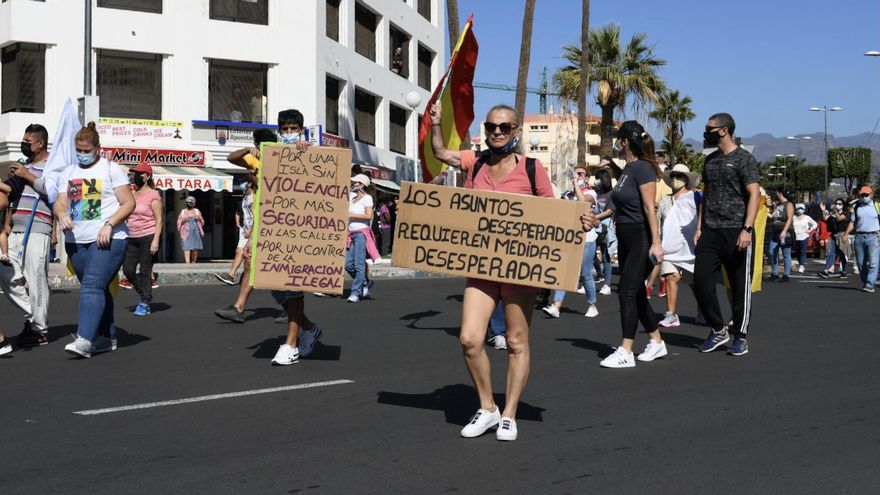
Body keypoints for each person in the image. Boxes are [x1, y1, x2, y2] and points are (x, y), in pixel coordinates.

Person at [431, 101, 555, 441]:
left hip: (519, 270)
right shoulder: (475, 163)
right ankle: (487, 408)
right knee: (470, 339)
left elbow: (555, 213)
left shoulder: (532, 169)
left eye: (504, 127)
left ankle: (509, 414)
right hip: (481, 267)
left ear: (516, 131)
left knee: (516, 341)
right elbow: (441, 152)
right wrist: (437, 123)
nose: (497, 132)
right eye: (491, 127)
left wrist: (583, 218)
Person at [53, 122, 135, 358]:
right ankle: (107, 337)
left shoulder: (111, 169)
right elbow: (60, 202)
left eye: (86, 150)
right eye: (78, 149)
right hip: (76, 241)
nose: (82, 154)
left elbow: (129, 203)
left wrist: (109, 225)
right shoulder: (68, 172)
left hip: (108, 239)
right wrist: (61, 214)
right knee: (98, 289)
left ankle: (84, 339)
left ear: (97, 148)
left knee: (92, 286)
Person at [597, 121, 666, 368]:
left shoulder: (644, 169)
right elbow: (619, 205)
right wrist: (595, 218)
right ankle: (657, 342)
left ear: (624, 142)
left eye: (618, 139)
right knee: (635, 293)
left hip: (640, 236)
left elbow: (649, 207)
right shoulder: (628, 170)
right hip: (625, 235)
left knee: (626, 291)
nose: (617, 143)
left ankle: (626, 351)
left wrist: (656, 243)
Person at [693, 113, 761, 356]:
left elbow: (755, 195)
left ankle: (740, 337)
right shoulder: (710, 160)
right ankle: (718, 329)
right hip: (710, 230)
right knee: (700, 281)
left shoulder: (745, 159)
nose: (706, 132)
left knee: (740, 286)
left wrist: (747, 228)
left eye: (709, 128)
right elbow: (705, 196)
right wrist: (700, 227)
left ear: (723, 130)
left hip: (736, 230)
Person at [0, 124, 54, 347]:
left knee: (37, 279)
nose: (24, 145)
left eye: (27, 141)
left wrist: (27, 176)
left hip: (39, 227)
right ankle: (33, 315)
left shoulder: (53, 165)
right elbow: (11, 195)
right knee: (5, 271)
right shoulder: (24, 166)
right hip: (16, 227)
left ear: (40, 144)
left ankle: (39, 329)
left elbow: (52, 192)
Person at [542, 164, 599, 318]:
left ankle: (592, 304)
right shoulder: (568, 194)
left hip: (587, 240)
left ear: (586, 178)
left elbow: (583, 204)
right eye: (575, 174)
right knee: (564, 272)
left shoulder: (591, 192)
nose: (577, 176)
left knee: (585, 274)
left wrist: (576, 185)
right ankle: (556, 306)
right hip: (571, 239)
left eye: (580, 174)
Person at [656, 164, 701, 328]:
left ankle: (702, 309)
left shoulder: (696, 197)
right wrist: (656, 243)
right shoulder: (664, 200)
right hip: (668, 247)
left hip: (690, 248)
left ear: (687, 179)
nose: (676, 179)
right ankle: (671, 314)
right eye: (673, 175)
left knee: (695, 283)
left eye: (680, 176)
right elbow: (657, 223)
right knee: (671, 277)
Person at [122, 163, 163, 316]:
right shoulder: (131, 194)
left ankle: (144, 302)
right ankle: (144, 294)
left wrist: (156, 240)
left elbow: (159, 219)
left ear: (147, 176)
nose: (135, 177)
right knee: (128, 270)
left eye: (138, 174)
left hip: (148, 236)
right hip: (131, 237)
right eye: (134, 174)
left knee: (145, 271)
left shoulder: (154, 195)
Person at [345, 173, 378, 303]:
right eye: (353, 182)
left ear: (362, 185)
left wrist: (352, 215)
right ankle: (365, 282)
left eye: (356, 182)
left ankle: (355, 293)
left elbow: (369, 216)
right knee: (348, 265)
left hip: (361, 234)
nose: (353, 184)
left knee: (359, 265)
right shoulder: (352, 197)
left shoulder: (367, 198)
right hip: (351, 234)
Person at [845, 185, 880, 293]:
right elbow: (852, 222)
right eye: (862, 195)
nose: (864, 196)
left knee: (874, 262)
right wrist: (846, 234)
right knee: (861, 263)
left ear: (871, 194)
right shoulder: (857, 207)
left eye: (866, 194)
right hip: (859, 237)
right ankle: (866, 282)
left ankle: (870, 285)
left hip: (873, 237)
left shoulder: (877, 206)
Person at [592, 165, 615, 296]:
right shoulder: (597, 193)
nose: (596, 181)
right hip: (596, 228)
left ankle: (607, 284)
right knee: (591, 254)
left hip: (606, 229)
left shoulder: (611, 194)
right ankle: (599, 274)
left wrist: (596, 217)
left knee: (606, 257)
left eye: (598, 178)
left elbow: (609, 211)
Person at [767, 188, 795, 282]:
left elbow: (790, 218)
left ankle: (786, 275)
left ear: (780, 193)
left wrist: (784, 231)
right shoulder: (778, 205)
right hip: (775, 231)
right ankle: (775, 273)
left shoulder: (789, 204)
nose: (776, 195)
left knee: (786, 253)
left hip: (785, 231)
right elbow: (774, 216)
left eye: (777, 193)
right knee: (771, 252)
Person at [818, 198, 850, 278]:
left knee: (842, 253)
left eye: (840, 204)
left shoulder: (845, 213)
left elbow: (840, 218)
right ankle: (826, 271)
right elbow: (825, 219)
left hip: (841, 235)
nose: (838, 205)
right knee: (830, 253)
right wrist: (823, 210)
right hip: (833, 235)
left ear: (843, 205)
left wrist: (835, 211)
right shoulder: (832, 213)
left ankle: (844, 271)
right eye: (837, 203)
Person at [177, 196, 204, 263]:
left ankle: (194, 261)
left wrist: (199, 218)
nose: (189, 203)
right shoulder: (183, 211)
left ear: (194, 203)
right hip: (186, 232)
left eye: (190, 202)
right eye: (187, 202)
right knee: (186, 247)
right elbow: (178, 222)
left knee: (195, 247)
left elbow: (202, 222)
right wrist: (184, 220)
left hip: (196, 232)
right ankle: (187, 263)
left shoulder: (197, 211)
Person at [792, 203, 817, 274]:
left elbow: (815, 224)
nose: (800, 210)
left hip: (804, 236)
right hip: (795, 237)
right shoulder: (793, 217)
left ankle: (802, 265)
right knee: (797, 252)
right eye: (799, 208)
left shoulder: (807, 217)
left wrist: (809, 230)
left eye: (802, 208)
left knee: (803, 251)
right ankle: (800, 263)